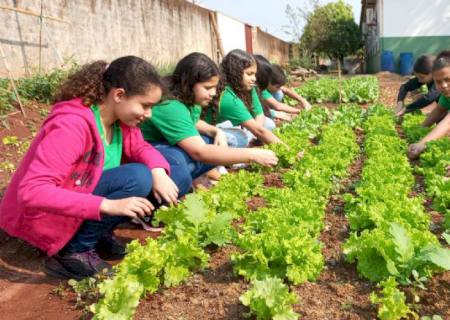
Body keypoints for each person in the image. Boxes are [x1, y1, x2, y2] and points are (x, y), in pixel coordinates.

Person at [0, 56, 185, 280]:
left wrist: (158, 171)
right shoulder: (72, 125)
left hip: (77, 199)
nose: (149, 114)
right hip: (44, 218)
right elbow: (33, 191)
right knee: (137, 177)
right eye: (145, 105)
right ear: (118, 95)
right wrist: (107, 204)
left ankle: (94, 235)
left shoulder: (120, 122)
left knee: (167, 173)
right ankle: (73, 253)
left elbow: (141, 148)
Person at [140, 52, 278, 185]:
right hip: (149, 149)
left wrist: (216, 131)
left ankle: (197, 175)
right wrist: (252, 155)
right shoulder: (170, 106)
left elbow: (193, 122)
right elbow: (199, 152)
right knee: (180, 171)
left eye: (214, 87)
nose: (213, 93)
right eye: (207, 88)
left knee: (223, 140)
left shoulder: (192, 99)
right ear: (188, 84)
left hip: (168, 143)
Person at [216, 49, 283, 145]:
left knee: (268, 125)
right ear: (235, 73)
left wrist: (254, 131)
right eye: (249, 74)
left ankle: (246, 138)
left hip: (240, 124)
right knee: (238, 138)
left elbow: (259, 114)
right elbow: (259, 131)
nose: (254, 78)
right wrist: (288, 150)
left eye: (254, 74)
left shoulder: (249, 88)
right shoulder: (228, 98)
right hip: (214, 129)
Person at [408, 53, 450, 159]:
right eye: (438, 82)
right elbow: (439, 110)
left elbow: (447, 123)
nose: (444, 85)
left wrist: (421, 144)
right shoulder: (446, 95)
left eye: (448, 79)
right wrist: (421, 128)